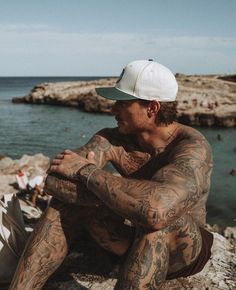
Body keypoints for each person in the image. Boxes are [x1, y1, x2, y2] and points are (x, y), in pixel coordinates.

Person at [9, 60, 214, 290]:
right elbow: (54, 180)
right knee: (61, 205)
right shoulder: (112, 139)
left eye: (121, 103)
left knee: (156, 226)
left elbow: (157, 211)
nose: (112, 110)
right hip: (127, 238)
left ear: (153, 108)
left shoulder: (192, 147)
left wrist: (87, 172)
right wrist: (120, 199)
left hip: (181, 251)